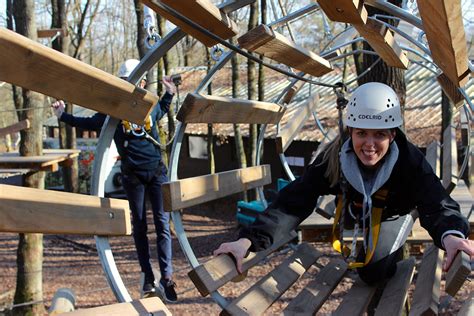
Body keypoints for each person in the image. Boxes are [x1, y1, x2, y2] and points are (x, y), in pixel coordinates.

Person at [214, 82, 473, 285]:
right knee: (367, 264)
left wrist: (450, 235)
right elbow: (293, 201)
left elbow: (436, 201)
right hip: (356, 206)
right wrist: (247, 240)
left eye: (379, 135)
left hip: (396, 210)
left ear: (393, 134)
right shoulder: (335, 158)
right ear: (350, 131)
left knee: (375, 272)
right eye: (361, 133)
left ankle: (387, 247)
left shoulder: (409, 161)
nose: (369, 145)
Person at [52, 59, 178, 302]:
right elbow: (88, 122)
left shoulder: (149, 106)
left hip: (156, 172)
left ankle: (168, 277)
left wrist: (169, 93)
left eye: (134, 80)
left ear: (142, 81)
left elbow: (162, 107)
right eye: (125, 80)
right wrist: (63, 116)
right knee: (140, 225)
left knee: (163, 224)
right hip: (133, 176)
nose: (130, 85)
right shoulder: (114, 112)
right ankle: (147, 276)